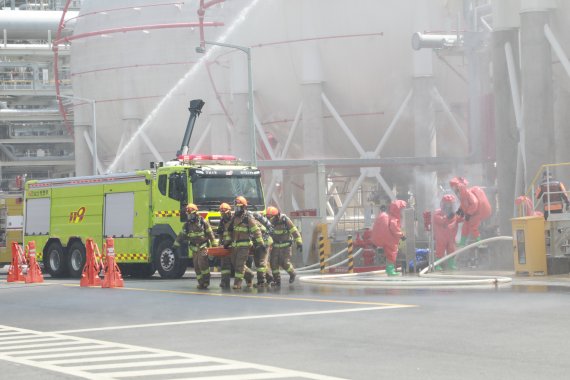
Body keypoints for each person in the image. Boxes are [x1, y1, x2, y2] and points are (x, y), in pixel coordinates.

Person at [223, 196, 264, 289]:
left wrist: (260, 243)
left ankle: (237, 283)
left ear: (244, 207)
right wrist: (227, 242)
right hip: (234, 246)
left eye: (238, 207)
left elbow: (256, 231)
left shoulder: (247, 218)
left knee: (239, 264)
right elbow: (229, 231)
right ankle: (249, 275)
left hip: (244, 246)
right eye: (235, 207)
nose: (236, 209)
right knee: (234, 263)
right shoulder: (234, 218)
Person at [173, 203, 215, 289]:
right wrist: (175, 245)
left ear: (195, 213)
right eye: (188, 215)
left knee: (202, 264)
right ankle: (201, 283)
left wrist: (214, 245)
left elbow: (210, 233)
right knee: (196, 266)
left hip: (203, 246)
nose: (189, 216)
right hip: (194, 248)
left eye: (191, 214)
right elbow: (181, 235)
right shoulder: (187, 225)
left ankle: (206, 282)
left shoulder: (203, 222)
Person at [450, 177, 492, 247]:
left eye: (454, 187)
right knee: (465, 226)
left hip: (477, 213)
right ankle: (462, 243)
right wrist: (458, 213)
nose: (453, 189)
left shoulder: (467, 193)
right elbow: (464, 205)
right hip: (473, 214)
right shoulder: (462, 195)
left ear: (459, 186)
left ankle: (479, 243)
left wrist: (469, 214)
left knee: (473, 227)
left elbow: (475, 203)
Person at [266, 206, 302, 286]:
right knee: (273, 263)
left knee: (285, 263)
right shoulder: (269, 223)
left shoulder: (285, 220)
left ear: (276, 215)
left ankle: (292, 274)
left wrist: (299, 241)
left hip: (285, 247)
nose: (269, 219)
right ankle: (277, 280)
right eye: (267, 217)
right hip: (275, 246)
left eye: (270, 217)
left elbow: (294, 230)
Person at [371, 200, 407, 276]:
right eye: (402, 209)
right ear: (398, 209)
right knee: (392, 253)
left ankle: (389, 270)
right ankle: (390, 270)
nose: (403, 211)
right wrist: (401, 235)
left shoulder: (389, 216)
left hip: (386, 238)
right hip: (390, 239)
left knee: (389, 254)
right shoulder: (394, 218)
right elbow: (393, 227)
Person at [432, 194, 461, 271]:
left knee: (451, 250)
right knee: (440, 251)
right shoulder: (437, 213)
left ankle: (451, 265)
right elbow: (440, 220)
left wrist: (464, 212)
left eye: (451, 204)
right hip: (441, 237)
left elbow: (460, 218)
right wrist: (447, 217)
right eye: (447, 204)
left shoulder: (455, 213)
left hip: (451, 237)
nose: (449, 206)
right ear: (443, 204)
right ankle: (437, 265)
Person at [250, 211, 274, 288]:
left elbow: (259, 233)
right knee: (258, 263)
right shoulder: (250, 220)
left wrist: (263, 243)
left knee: (261, 263)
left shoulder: (255, 222)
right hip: (258, 244)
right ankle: (270, 278)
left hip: (264, 243)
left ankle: (261, 282)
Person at [216, 202, 233, 289]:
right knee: (224, 265)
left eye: (224, 213)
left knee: (238, 265)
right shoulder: (222, 221)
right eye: (221, 213)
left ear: (229, 212)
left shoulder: (234, 220)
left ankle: (249, 276)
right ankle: (224, 282)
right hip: (225, 246)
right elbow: (220, 233)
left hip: (234, 245)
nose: (223, 215)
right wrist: (220, 243)